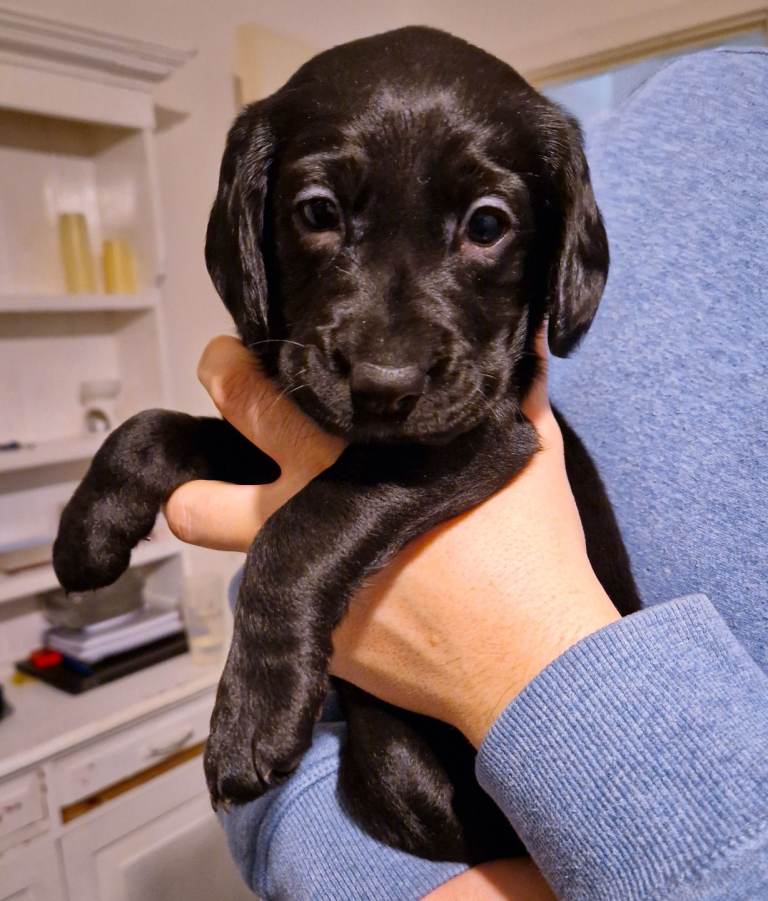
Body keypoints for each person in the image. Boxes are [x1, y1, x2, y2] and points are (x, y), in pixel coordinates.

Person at [165, 48, 768, 900]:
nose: (385, 368)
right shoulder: (610, 132)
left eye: (485, 228)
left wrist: (514, 660)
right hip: (391, 807)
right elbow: (278, 753)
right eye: (318, 213)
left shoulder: (545, 159)